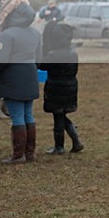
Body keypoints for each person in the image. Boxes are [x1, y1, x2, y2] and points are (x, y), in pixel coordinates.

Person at [0, 0, 41, 164]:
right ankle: (30, 153)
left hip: (12, 79)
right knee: (28, 115)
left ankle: (18, 155)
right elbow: (39, 59)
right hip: (30, 76)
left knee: (17, 116)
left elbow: (1, 61)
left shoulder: (7, 35)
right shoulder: (36, 33)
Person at [38, 23, 83, 154]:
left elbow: (41, 65)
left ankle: (59, 147)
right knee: (61, 115)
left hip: (56, 89)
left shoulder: (53, 56)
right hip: (70, 87)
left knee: (58, 117)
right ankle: (76, 141)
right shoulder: (73, 53)